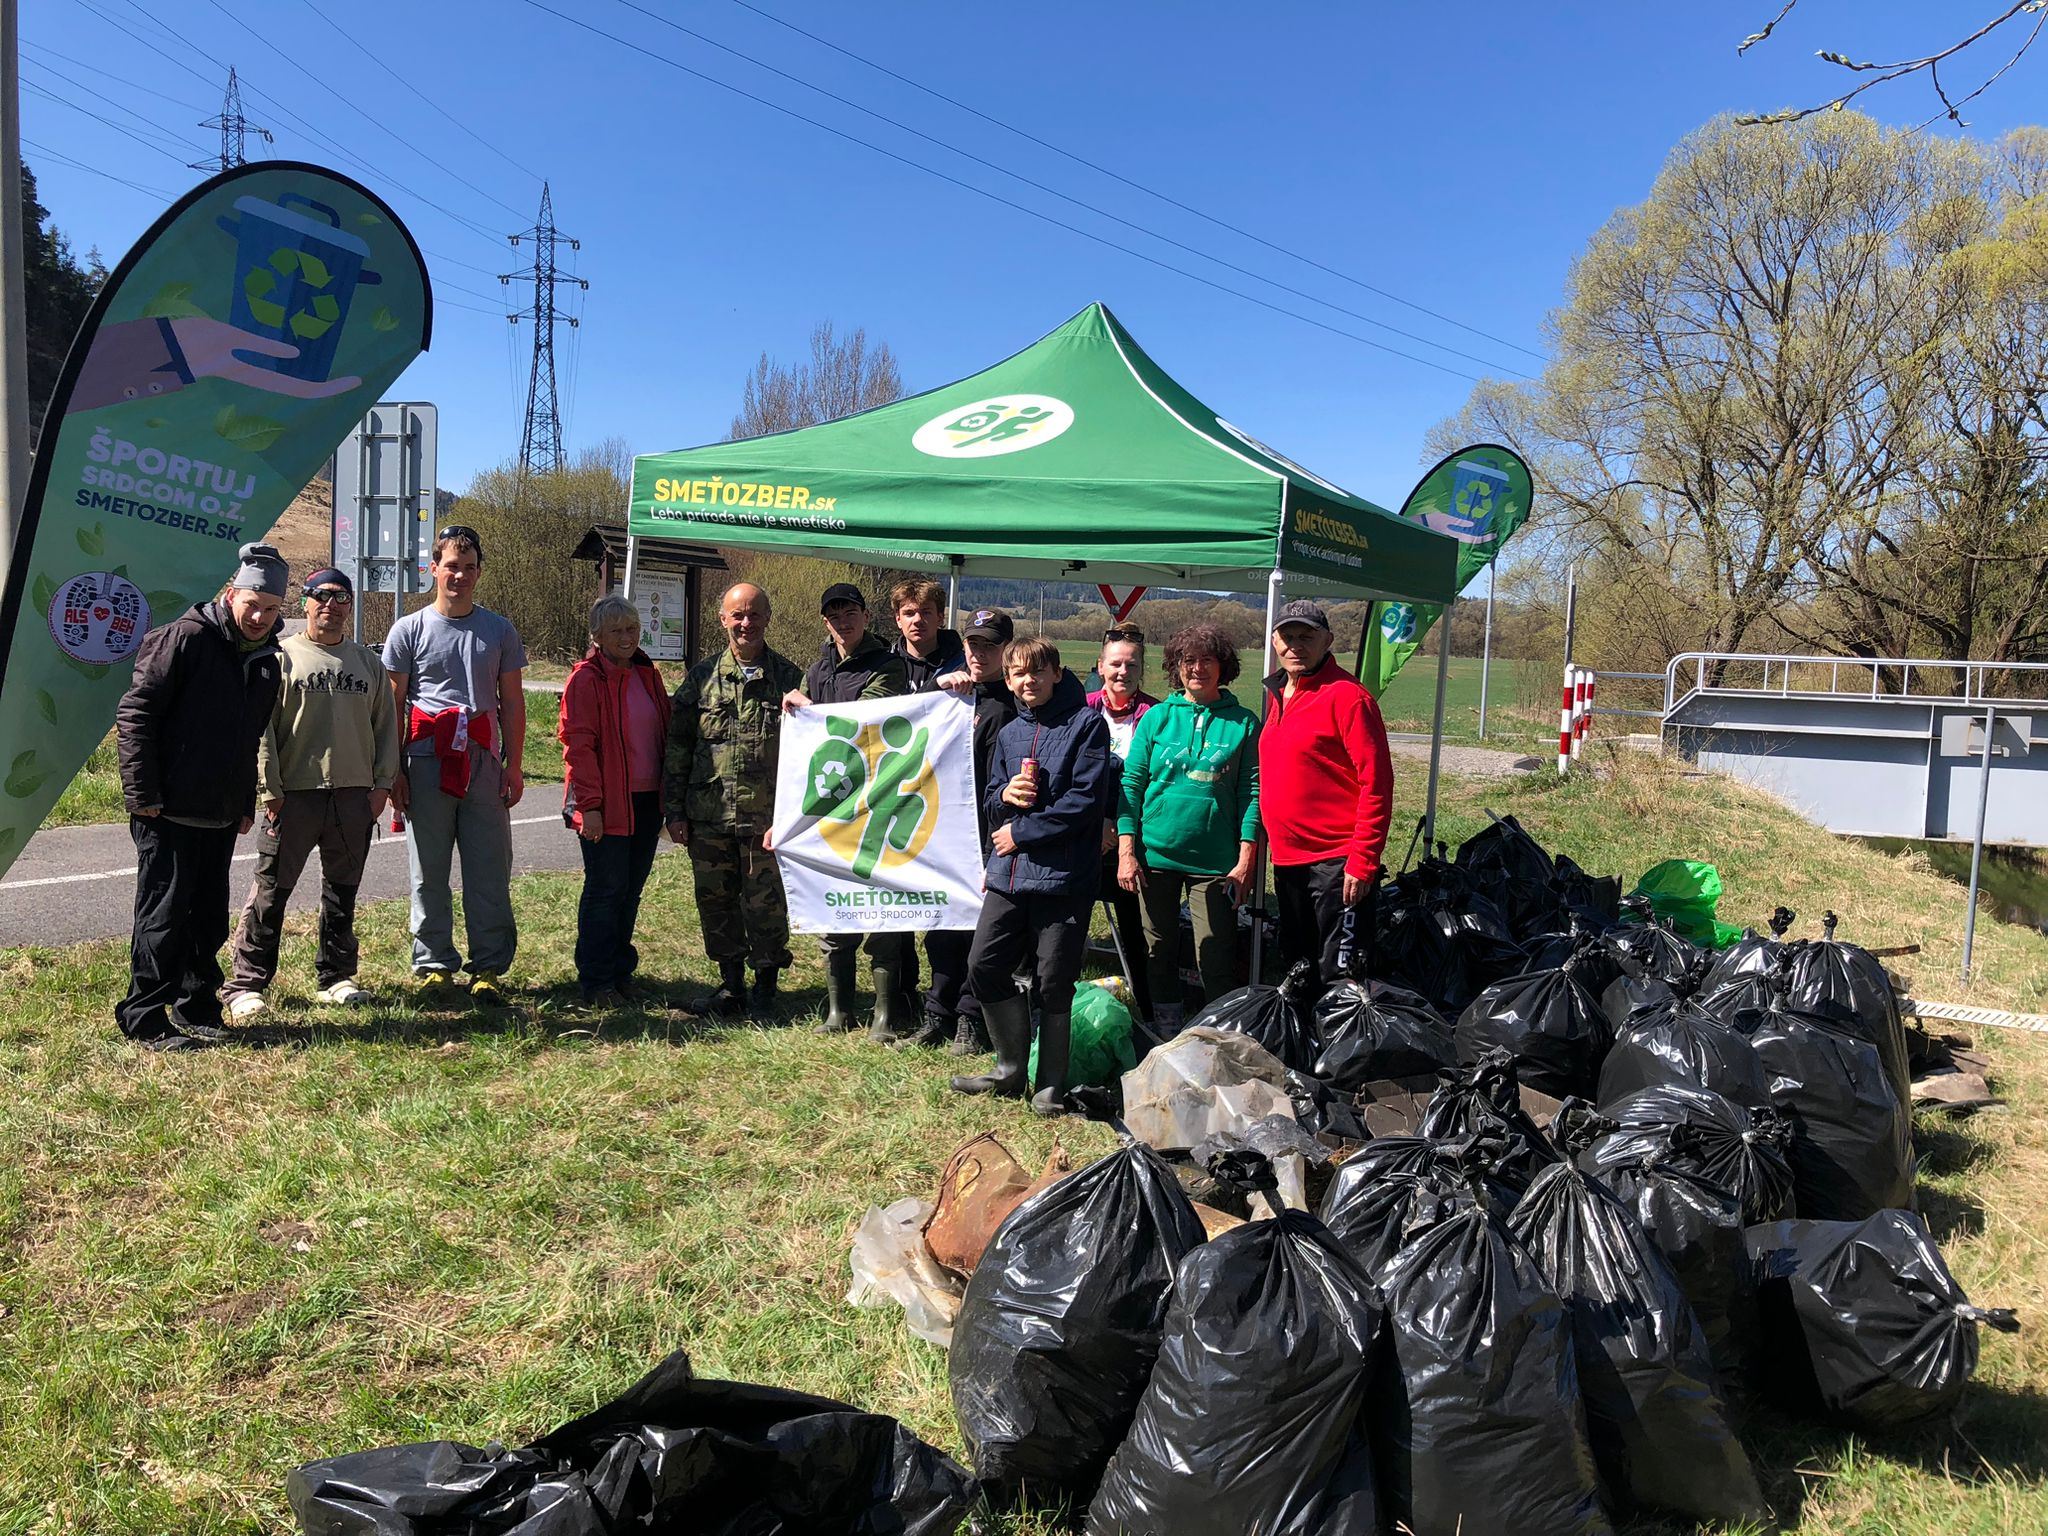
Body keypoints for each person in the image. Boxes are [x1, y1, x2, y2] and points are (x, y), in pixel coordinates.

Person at [113, 543, 288, 1049]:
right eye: (251, 604)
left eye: (270, 608)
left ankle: (197, 1007)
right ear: (231, 594)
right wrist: (142, 793)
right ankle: (145, 1018)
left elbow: (249, 737)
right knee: (163, 918)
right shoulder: (184, 638)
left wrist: (242, 802)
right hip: (166, 809)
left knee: (208, 919)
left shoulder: (266, 660)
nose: (259, 617)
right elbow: (136, 715)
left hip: (219, 812)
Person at [224, 567, 399, 1019]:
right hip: (294, 794)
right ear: (304, 602)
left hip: (353, 796)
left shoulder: (368, 663)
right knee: (271, 890)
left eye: (341, 598)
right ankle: (246, 984)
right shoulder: (281, 656)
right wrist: (270, 789)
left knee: (342, 891)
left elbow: (386, 728)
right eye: (321, 596)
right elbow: (262, 729)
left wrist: (381, 786)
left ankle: (336, 977)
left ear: (350, 606)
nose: (331, 606)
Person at [950, 636, 1112, 1115]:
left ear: (1057, 674)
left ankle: (1049, 1085)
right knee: (984, 964)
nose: (1028, 681)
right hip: (1008, 875)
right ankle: (1009, 1070)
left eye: (1037, 671)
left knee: (1054, 981)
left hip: (1063, 877)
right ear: (1008, 679)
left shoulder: (1087, 725)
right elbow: (990, 798)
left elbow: (1085, 803)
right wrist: (1006, 797)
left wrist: (1021, 832)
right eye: (1018, 673)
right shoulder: (1008, 733)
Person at [383, 524, 528, 1003]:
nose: (459, 576)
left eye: (468, 568)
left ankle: (488, 966)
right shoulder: (408, 630)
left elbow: (512, 702)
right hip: (425, 763)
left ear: (479, 573)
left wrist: (513, 765)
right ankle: (433, 964)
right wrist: (393, 771)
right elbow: (393, 706)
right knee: (428, 870)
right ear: (433, 569)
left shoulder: (499, 630)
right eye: (451, 566)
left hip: (483, 765)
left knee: (489, 869)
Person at [664, 582, 804, 1016]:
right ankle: (730, 986)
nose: (746, 623)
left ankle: (766, 987)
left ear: (768, 618)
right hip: (710, 815)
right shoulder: (701, 678)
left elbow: (809, 754)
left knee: (766, 905)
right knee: (716, 903)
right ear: (723, 619)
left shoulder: (790, 679)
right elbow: (678, 747)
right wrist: (674, 810)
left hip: (767, 819)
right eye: (737, 615)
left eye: (754, 614)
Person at [781, 581, 913, 1040]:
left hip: (878, 800)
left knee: (882, 908)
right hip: (831, 805)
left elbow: (864, 718)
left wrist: (811, 709)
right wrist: (795, 707)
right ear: (826, 621)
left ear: (865, 616)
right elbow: (803, 728)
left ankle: (883, 1014)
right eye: (834, 615)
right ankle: (839, 1011)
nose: (843, 621)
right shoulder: (817, 669)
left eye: (850, 612)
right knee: (833, 904)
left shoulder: (888, 664)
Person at [1117, 622, 1260, 1028]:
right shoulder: (1157, 718)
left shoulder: (1244, 723)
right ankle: (1167, 1031)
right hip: (1155, 856)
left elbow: (1253, 793)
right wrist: (1127, 852)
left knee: (1214, 955)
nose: (1197, 668)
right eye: (1188, 660)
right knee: (1158, 950)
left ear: (1223, 666)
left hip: (1216, 863)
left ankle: (1217, 1033)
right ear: (1175, 667)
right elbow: (1131, 785)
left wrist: (1246, 860)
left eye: (1207, 660)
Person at [1258, 600, 1392, 982]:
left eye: (1307, 636)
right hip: (1289, 859)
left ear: (1328, 641)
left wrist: (1363, 861)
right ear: (1274, 642)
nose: (1295, 645)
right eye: (1287, 636)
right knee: (1298, 967)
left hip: (1336, 862)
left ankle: (1340, 1025)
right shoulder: (1277, 693)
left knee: (1340, 976)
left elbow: (1377, 784)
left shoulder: (1349, 697)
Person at [913, 604, 1017, 1055]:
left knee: (983, 934)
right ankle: (938, 1011)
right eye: (972, 644)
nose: (978, 653)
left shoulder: (1018, 702)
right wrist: (937, 687)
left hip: (994, 836)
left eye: (989, 646)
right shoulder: (954, 694)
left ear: (1007, 650)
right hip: (947, 832)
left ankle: (972, 1018)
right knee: (942, 927)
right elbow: (908, 721)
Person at [560, 595, 672, 1007]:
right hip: (605, 805)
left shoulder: (647, 673)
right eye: (616, 631)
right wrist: (589, 807)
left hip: (646, 801)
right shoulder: (585, 680)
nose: (626, 637)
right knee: (605, 891)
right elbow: (578, 747)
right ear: (598, 636)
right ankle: (597, 981)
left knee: (630, 891)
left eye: (631, 629)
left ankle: (622, 973)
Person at [886, 576, 968, 1047]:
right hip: (894, 800)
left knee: (942, 911)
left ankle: (944, 1001)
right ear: (897, 619)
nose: (918, 620)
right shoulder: (883, 663)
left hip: (947, 803)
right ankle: (900, 994)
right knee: (894, 904)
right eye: (909, 613)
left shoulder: (965, 663)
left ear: (940, 617)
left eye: (926, 612)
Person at [1086, 621, 1159, 1022]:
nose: (1122, 672)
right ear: (1100, 666)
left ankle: (1147, 1006)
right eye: (1115, 664)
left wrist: (1119, 826)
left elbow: (1155, 781)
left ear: (1141, 669)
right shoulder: (1081, 708)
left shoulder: (1156, 714)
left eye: (1131, 665)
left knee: (1136, 928)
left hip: (1135, 836)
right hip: (1085, 833)